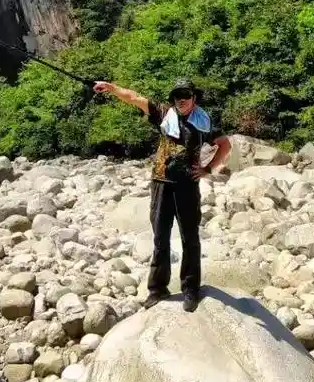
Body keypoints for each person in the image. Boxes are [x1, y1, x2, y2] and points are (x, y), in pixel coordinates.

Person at [93, 77, 232, 312]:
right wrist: (112, 88)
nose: (182, 100)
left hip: (187, 185)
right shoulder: (163, 113)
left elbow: (225, 144)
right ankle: (157, 290)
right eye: (178, 96)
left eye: (186, 95)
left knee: (190, 239)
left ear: (194, 97)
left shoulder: (203, 122)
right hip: (160, 184)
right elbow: (134, 98)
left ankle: (190, 289)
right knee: (160, 238)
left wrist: (208, 169)